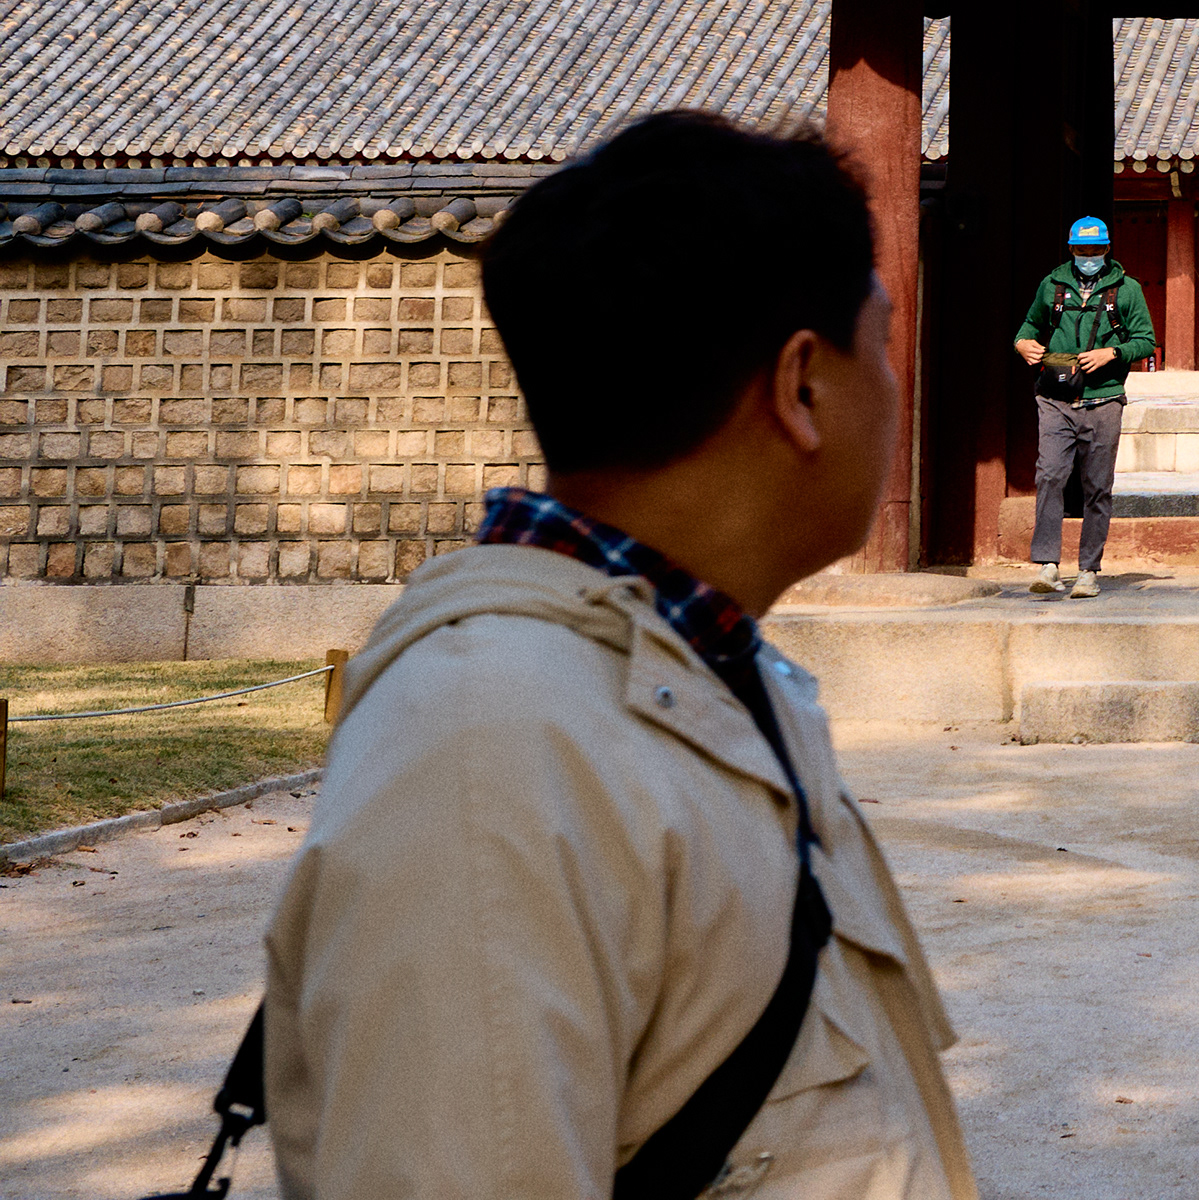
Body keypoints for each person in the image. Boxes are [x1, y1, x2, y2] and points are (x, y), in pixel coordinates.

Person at [256, 110, 973, 1199]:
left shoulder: (709, 680)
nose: (894, 381)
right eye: (880, 343)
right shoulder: (493, 750)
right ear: (801, 386)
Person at [1018, 212, 1154, 595]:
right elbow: (1030, 326)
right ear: (1071, 249)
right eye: (1082, 250)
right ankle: (1047, 565)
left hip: (1104, 398)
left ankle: (1088, 571)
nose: (1088, 257)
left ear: (1107, 249)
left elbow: (1146, 340)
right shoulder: (1052, 285)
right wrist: (1022, 343)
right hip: (1056, 396)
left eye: (1095, 250)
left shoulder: (1127, 289)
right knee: (1049, 475)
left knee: (1097, 486)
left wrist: (1113, 352)